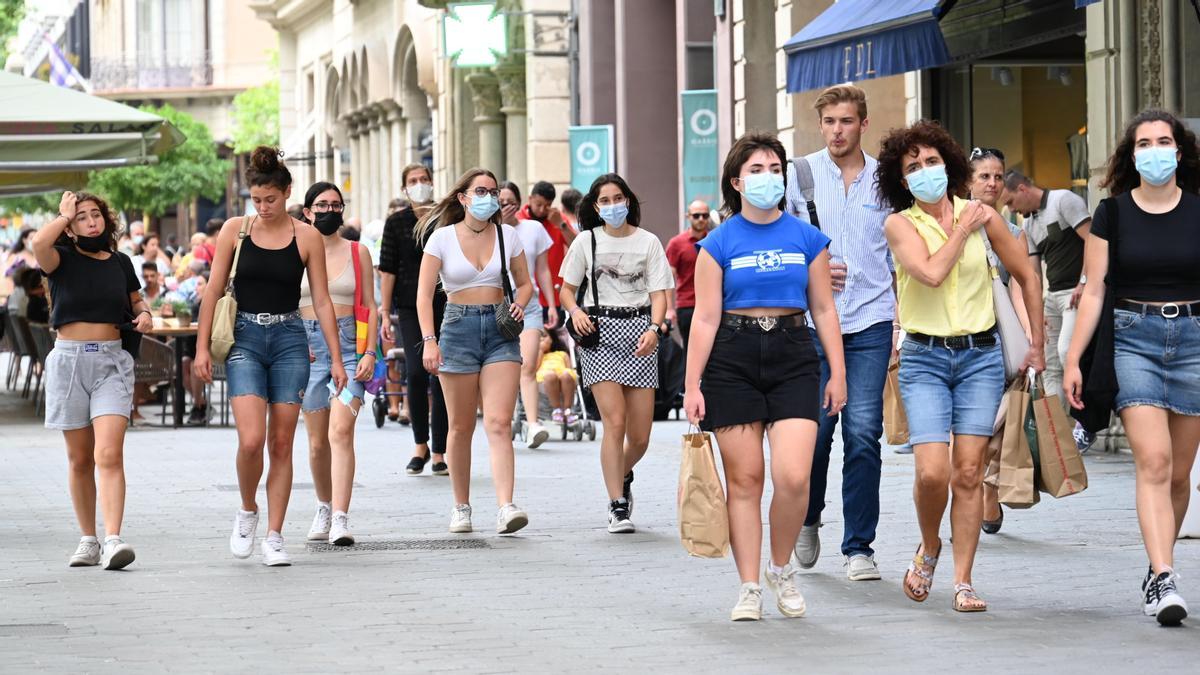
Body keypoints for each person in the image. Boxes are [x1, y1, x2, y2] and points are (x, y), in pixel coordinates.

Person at [878, 120, 1044, 613]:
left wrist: (1035, 340)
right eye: (913, 167)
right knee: (933, 473)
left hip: (980, 358)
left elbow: (1026, 275)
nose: (925, 171)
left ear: (947, 164)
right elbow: (929, 273)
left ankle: (963, 579)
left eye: (931, 161)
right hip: (925, 358)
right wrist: (964, 229)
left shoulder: (983, 217)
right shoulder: (901, 224)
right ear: (902, 180)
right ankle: (930, 546)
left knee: (969, 471)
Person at [684, 132, 846, 621]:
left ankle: (783, 569)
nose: (768, 177)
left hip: (794, 354)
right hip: (732, 358)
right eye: (756, 170)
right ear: (737, 181)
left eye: (775, 168)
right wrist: (692, 385)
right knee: (747, 480)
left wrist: (837, 372)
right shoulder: (716, 243)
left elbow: (823, 307)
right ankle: (750, 586)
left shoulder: (806, 237)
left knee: (794, 477)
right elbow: (706, 318)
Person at [1064, 109, 1200, 626]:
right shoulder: (1112, 214)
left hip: (1193, 340)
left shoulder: (1198, 210)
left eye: (1164, 141)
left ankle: (1155, 566)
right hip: (1134, 340)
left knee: (1181, 475)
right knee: (1156, 462)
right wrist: (1075, 357)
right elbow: (1094, 289)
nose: (1155, 150)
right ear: (1132, 155)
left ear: (1179, 153)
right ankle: (1165, 577)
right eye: (1144, 143)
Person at [194, 146, 348, 567]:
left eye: (270, 200)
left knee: (282, 442)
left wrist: (335, 358)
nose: (262, 208)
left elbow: (320, 300)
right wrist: (201, 346)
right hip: (243, 336)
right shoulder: (234, 230)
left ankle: (275, 536)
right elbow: (212, 290)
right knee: (251, 440)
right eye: (256, 200)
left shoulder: (307, 236)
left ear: (286, 193)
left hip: (290, 340)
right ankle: (247, 510)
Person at [783, 85, 895, 581]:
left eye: (846, 121)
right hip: (811, 324)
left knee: (864, 433)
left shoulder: (887, 183)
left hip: (871, 320)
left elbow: (901, 256)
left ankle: (859, 548)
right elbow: (777, 243)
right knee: (817, 432)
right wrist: (809, 270)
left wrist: (902, 330)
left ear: (863, 124)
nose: (836, 131)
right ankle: (808, 515)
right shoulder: (797, 175)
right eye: (828, 121)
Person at [32, 190, 154, 570]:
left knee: (109, 453)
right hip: (69, 363)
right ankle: (89, 540)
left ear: (106, 219)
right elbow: (39, 242)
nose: (90, 221)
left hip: (111, 364)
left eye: (95, 214)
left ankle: (114, 538)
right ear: (70, 226)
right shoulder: (60, 259)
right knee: (80, 458)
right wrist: (62, 215)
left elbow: (136, 301)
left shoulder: (120, 262)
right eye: (81, 217)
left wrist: (145, 313)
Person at [416, 168, 534, 535]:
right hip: (457, 327)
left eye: (493, 191)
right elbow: (423, 296)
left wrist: (520, 304)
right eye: (480, 191)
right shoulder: (442, 238)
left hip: (500, 330)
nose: (488, 197)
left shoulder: (508, 235)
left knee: (499, 423)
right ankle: (461, 506)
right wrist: (429, 341)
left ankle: (506, 505)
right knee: (461, 426)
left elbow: (525, 284)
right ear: (463, 198)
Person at [559, 173, 674, 534]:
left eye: (618, 198)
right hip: (599, 332)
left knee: (640, 435)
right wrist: (575, 312)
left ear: (629, 200)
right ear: (595, 206)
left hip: (640, 331)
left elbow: (659, 294)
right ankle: (617, 505)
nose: (612, 206)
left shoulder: (649, 242)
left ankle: (621, 474)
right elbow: (567, 290)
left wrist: (655, 329)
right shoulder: (585, 242)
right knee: (615, 421)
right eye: (605, 200)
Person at [299, 181, 378, 546]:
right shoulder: (295, 249)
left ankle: (342, 518)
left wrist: (369, 352)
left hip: (349, 346)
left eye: (336, 204)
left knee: (340, 432)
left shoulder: (357, 251)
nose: (329, 211)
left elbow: (371, 305)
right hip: (309, 348)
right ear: (307, 211)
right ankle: (324, 506)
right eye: (322, 205)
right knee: (317, 443)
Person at [967, 146, 1030, 535]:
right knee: (971, 428)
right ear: (967, 182)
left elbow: (1022, 287)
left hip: (1003, 339)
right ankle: (970, 495)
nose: (992, 183)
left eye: (997, 176)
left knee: (998, 427)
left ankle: (987, 488)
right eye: (983, 176)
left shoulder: (1016, 233)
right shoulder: (954, 224)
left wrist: (1029, 340)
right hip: (964, 335)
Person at [380, 163, 449, 476]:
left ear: (433, 183)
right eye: (413, 181)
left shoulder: (446, 218)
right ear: (405, 189)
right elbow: (387, 269)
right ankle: (420, 444)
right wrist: (384, 312)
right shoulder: (396, 223)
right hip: (408, 307)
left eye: (424, 179)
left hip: (446, 304)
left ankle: (439, 451)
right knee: (418, 373)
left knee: (443, 376)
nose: (420, 184)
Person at [1005, 169, 1092, 414]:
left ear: (1022, 189)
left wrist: (1085, 281)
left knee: (1067, 353)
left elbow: (1092, 239)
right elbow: (1033, 273)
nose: (1011, 209)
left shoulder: (1063, 200)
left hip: (1075, 294)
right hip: (1053, 296)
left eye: (1010, 201)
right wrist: (1037, 308)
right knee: (1049, 364)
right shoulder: (1029, 223)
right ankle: (1058, 430)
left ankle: (1086, 416)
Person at [499, 181, 558, 448]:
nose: (506, 206)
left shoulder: (533, 229)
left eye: (510, 201)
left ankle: (532, 423)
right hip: (498, 302)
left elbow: (543, 270)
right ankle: (507, 416)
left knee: (528, 363)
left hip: (530, 303)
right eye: (500, 202)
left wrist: (552, 305)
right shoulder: (488, 231)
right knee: (503, 366)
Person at [520, 181, 577, 319]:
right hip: (525, 297)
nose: (541, 210)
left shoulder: (558, 219)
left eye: (547, 206)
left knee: (554, 340)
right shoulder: (518, 220)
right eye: (538, 204)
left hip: (554, 295)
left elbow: (577, 247)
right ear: (530, 199)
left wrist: (561, 225)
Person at [665, 200, 712, 350]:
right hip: (687, 306)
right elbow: (667, 277)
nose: (701, 219)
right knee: (691, 351)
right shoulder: (676, 243)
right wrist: (669, 309)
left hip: (713, 305)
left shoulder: (715, 240)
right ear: (688, 216)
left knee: (714, 352)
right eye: (696, 215)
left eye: (705, 216)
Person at [535, 328, 579, 426]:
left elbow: (570, 369)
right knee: (550, 375)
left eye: (544, 336)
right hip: (544, 380)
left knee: (567, 374)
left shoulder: (562, 354)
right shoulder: (536, 355)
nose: (541, 340)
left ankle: (568, 410)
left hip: (563, 379)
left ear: (552, 338)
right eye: (538, 338)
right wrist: (540, 350)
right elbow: (534, 369)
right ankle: (557, 410)